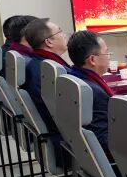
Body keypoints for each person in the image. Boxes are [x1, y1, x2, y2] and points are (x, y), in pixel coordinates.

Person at [66, 31, 114, 159]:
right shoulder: (94, 92)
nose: (109, 57)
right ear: (92, 59)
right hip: (108, 159)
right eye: (107, 53)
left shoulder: (72, 78)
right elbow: (104, 140)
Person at [20, 18, 69, 134]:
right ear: (49, 42)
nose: (64, 35)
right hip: (61, 132)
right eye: (60, 31)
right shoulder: (52, 72)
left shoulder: (36, 63)